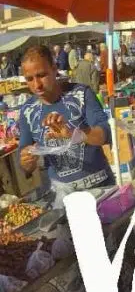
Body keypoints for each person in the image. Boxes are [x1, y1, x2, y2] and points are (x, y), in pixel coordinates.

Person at [17, 46, 113, 207]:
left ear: (55, 69)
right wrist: (27, 160)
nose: (37, 84)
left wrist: (73, 135)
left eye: (41, 75)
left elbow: (106, 134)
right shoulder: (28, 111)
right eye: (29, 79)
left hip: (100, 190)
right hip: (63, 199)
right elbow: (24, 161)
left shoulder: (81, 94)